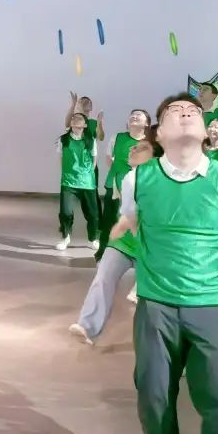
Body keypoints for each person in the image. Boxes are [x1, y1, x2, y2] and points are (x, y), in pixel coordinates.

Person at [111, 94, 218, 434]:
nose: (186, 113)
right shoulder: (137, 179)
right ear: (158, 134)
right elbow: (130, 226)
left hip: (215, 302)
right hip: (156, 303)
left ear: (206, 130)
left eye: (193, 111)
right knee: (153, 390)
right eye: (174, 111)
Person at [69, 137, 155, 345]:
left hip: (149, 246)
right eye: (133, 147)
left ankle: (156, 341)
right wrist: (123, 227)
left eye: (141, 148)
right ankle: (87, 326)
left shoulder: (161, 181)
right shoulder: (129, 178)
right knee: (103, 278)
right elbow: (128, 213)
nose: (133, 149)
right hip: (123, 243)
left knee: (152, 297)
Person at [101, 109, 151, 247]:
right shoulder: (117, 137)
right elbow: (109, 158)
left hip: (139, 188)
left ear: (146, 123)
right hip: (115, 186)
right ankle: (103, 250)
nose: (134, 116)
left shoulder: (150, 143)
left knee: (136, 221)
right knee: (110, 220)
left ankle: (134, 251)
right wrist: (117, 173)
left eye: (138, 115)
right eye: (132, 115)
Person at [56, 112, 99, 252]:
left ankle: (92, 239)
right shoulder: (63, 140)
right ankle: (65, 237)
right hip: (69, 181)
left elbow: (94, 160)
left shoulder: (90, 140)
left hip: (87, 182)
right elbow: (61, 159)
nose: (75, 120)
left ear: (85, 125)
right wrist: (67, 173)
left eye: (79, 119)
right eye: (73, 118)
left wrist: (87, 175)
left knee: (92, 213)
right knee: (65, 212)